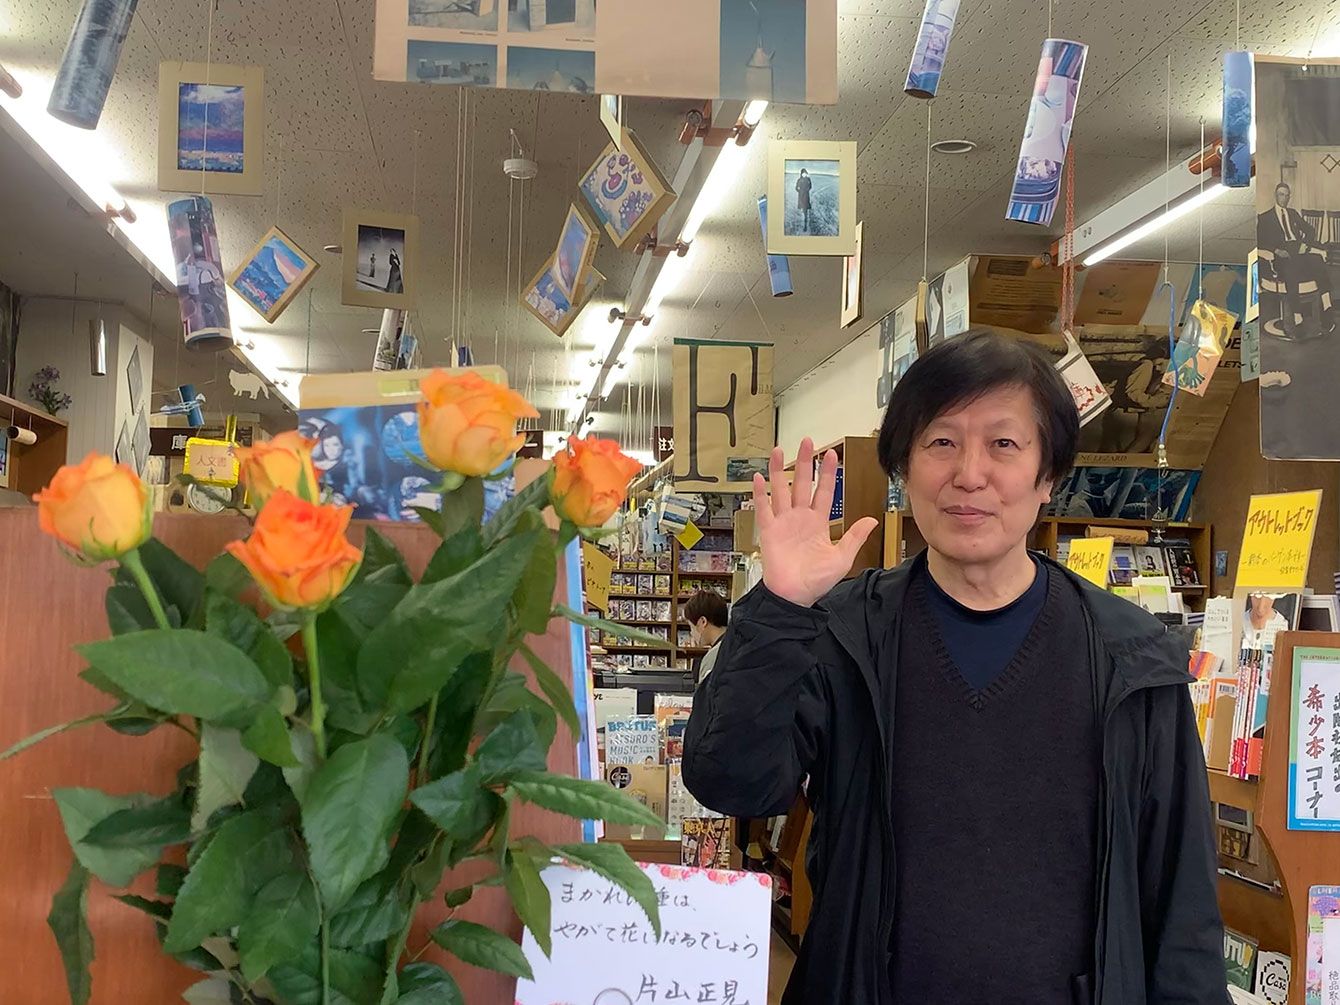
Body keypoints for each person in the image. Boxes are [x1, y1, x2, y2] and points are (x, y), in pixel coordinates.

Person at [683, 330, 1227, 1004]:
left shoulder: (1132, 658)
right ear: (903, 468)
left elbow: (1182, 901)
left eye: (1004, 444)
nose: (969, 473)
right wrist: (780, 607)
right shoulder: (843, 635)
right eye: (941, 442)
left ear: (1048, 474)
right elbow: (731, 782)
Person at [683, 590, 729, 683]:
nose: (691, 633)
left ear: (702, 622)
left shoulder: (713, 657)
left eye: (691, 627)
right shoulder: (739, 644)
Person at [795, 167, 813, 232]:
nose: (804, 174)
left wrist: (807, 190)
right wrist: (799, 191)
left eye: (805, 173)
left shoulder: (808, 179)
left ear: (806, 174)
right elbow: (796, 188)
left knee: (805, 211)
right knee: (802, 209)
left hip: (806, 196)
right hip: (801, 197)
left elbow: (810, 186)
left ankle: (805, 225)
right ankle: (803, 215)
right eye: (803, 173)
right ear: (801, 174)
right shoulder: (799, 180)